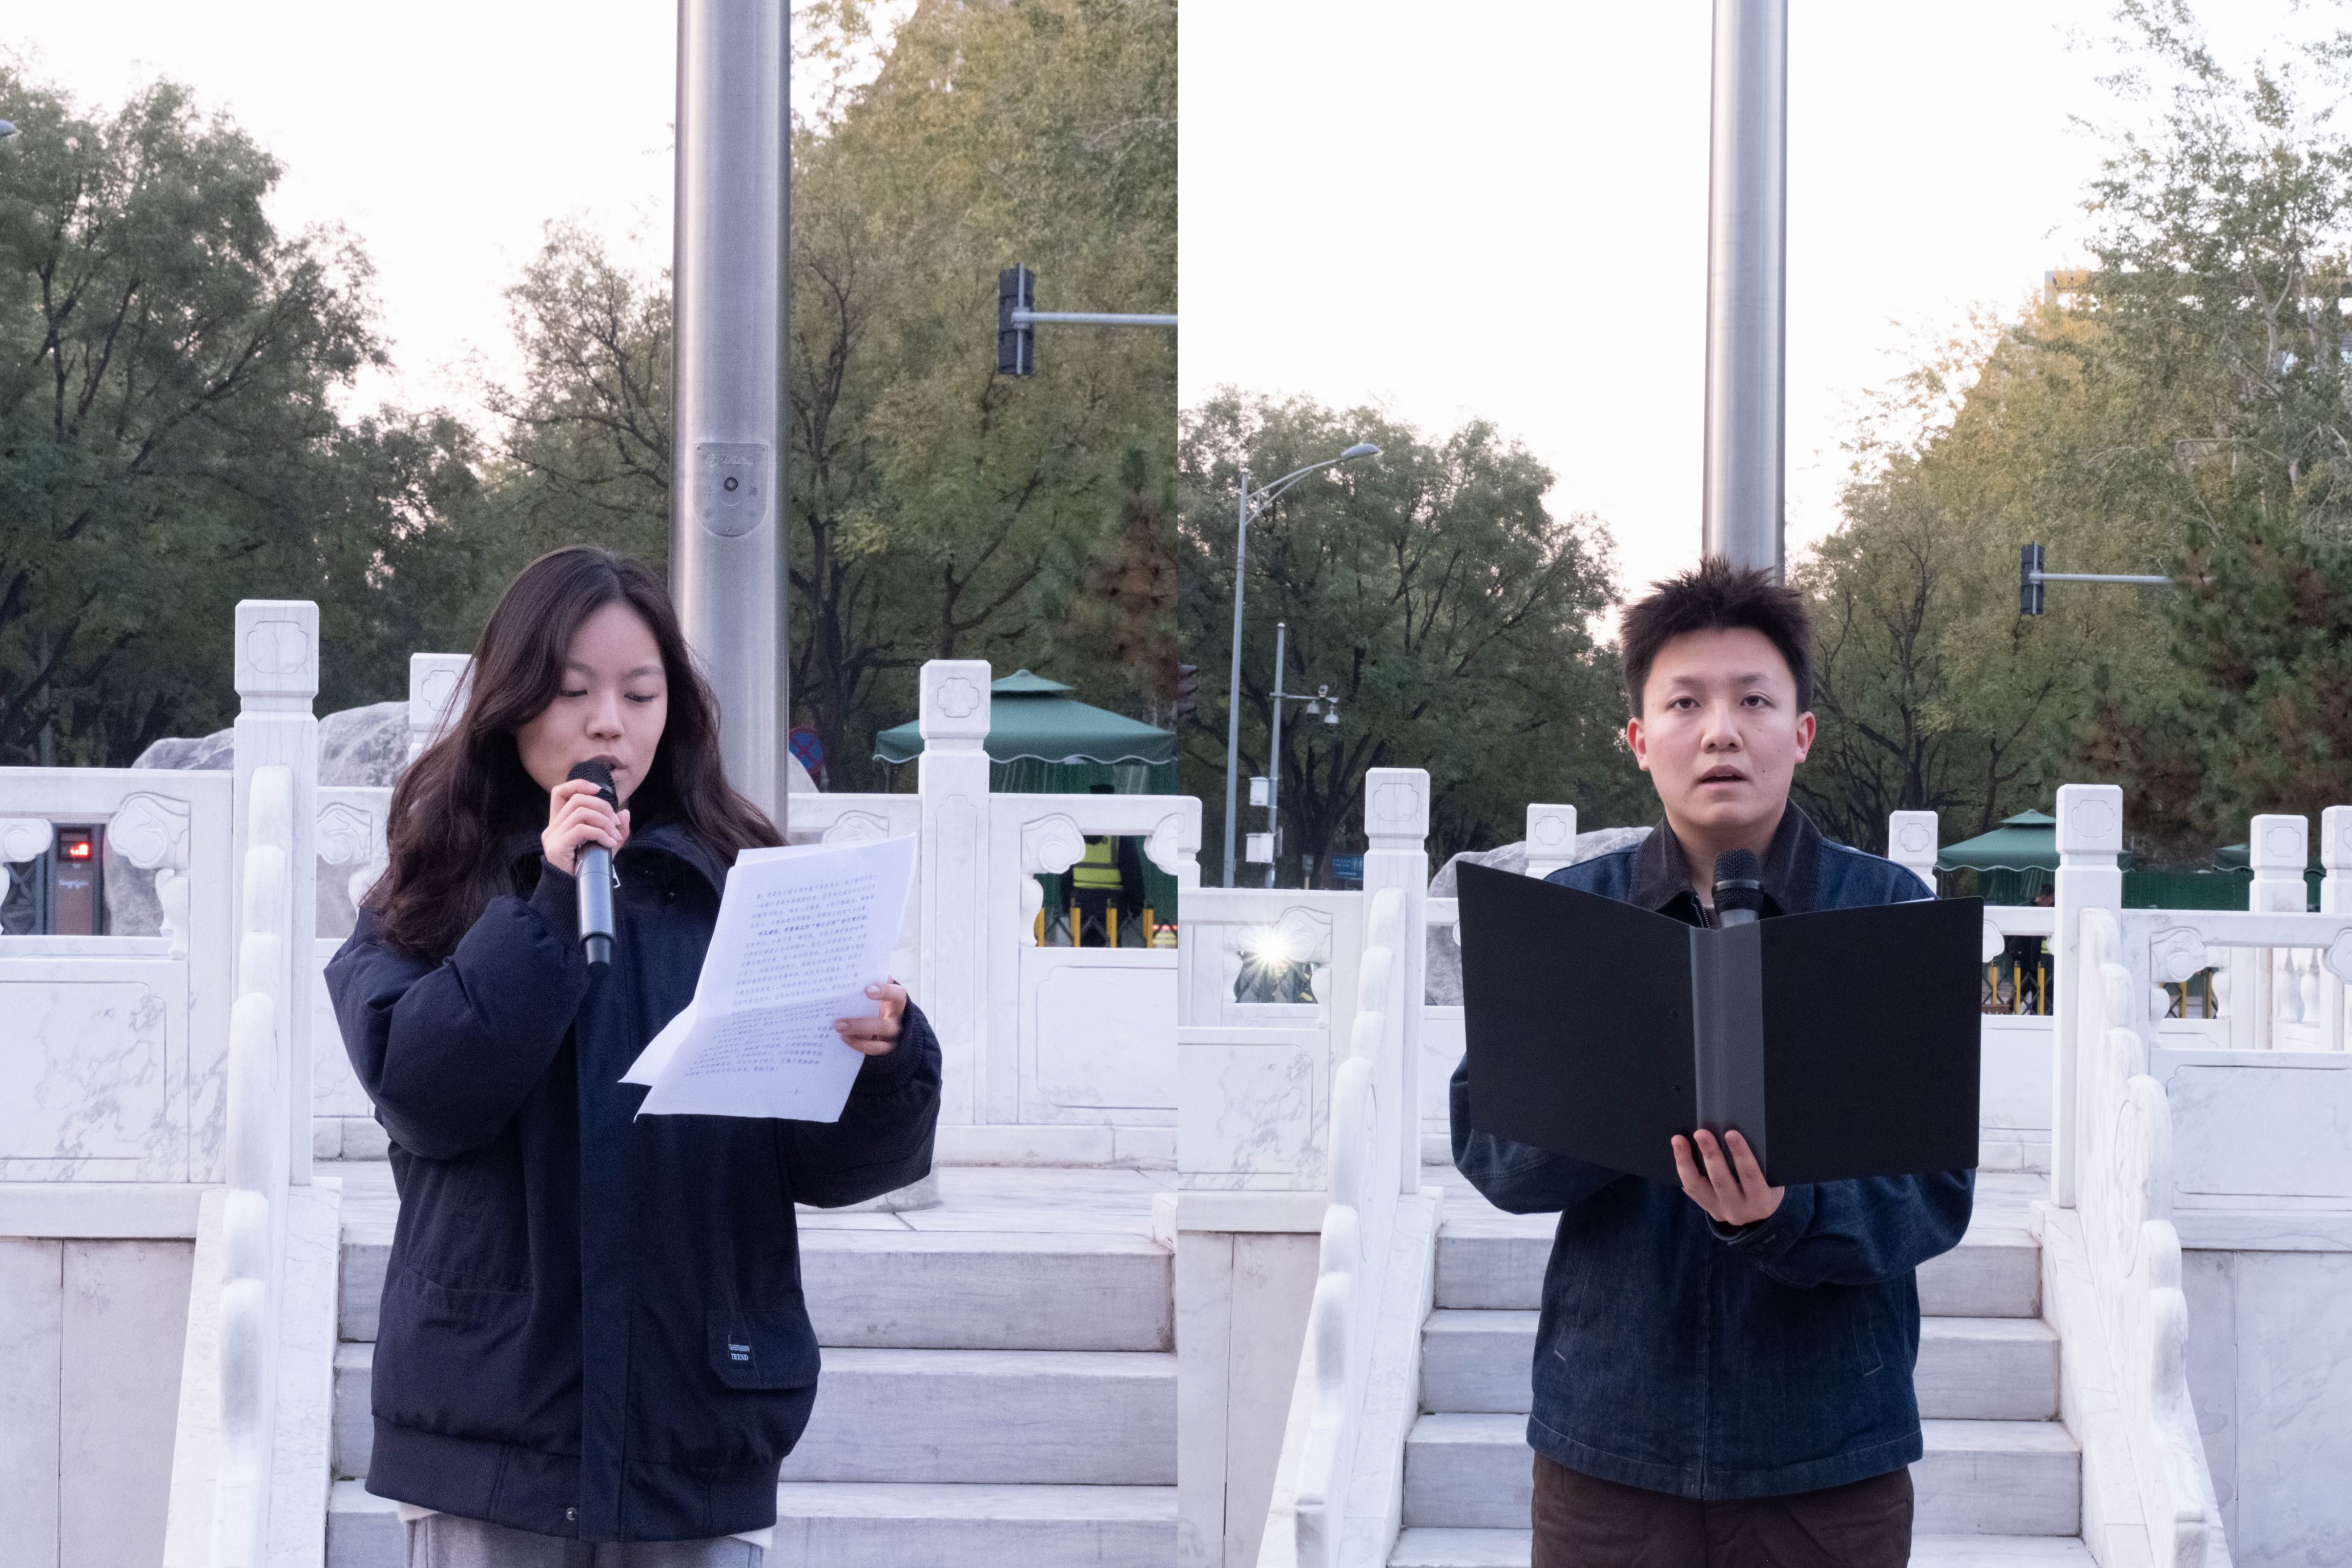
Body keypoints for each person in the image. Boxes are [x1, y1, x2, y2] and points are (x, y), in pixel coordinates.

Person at [326, 547, 941, 1566]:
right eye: (573, 692)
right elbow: (424, 1096)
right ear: (511, 703)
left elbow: (833, 1167)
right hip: (491, 1426)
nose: (608, 723)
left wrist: (884, 1059)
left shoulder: (740, 884)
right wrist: (551, 903)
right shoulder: (429, 891)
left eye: (640, 694)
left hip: (693, 1425)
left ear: (673, 712)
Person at [1451, 558, 1972, 1568]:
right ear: (1640, 739)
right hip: (1610, 1450)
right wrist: (1620, 1096)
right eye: (1685, 702)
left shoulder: (1886, 914)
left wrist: (1783, 1215)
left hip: (1826, 1454)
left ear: (1801, 733)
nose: (1721, 731)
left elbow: (1931, 1198)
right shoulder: (1575, 914)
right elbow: (1494, 1154)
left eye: (1754, 700)